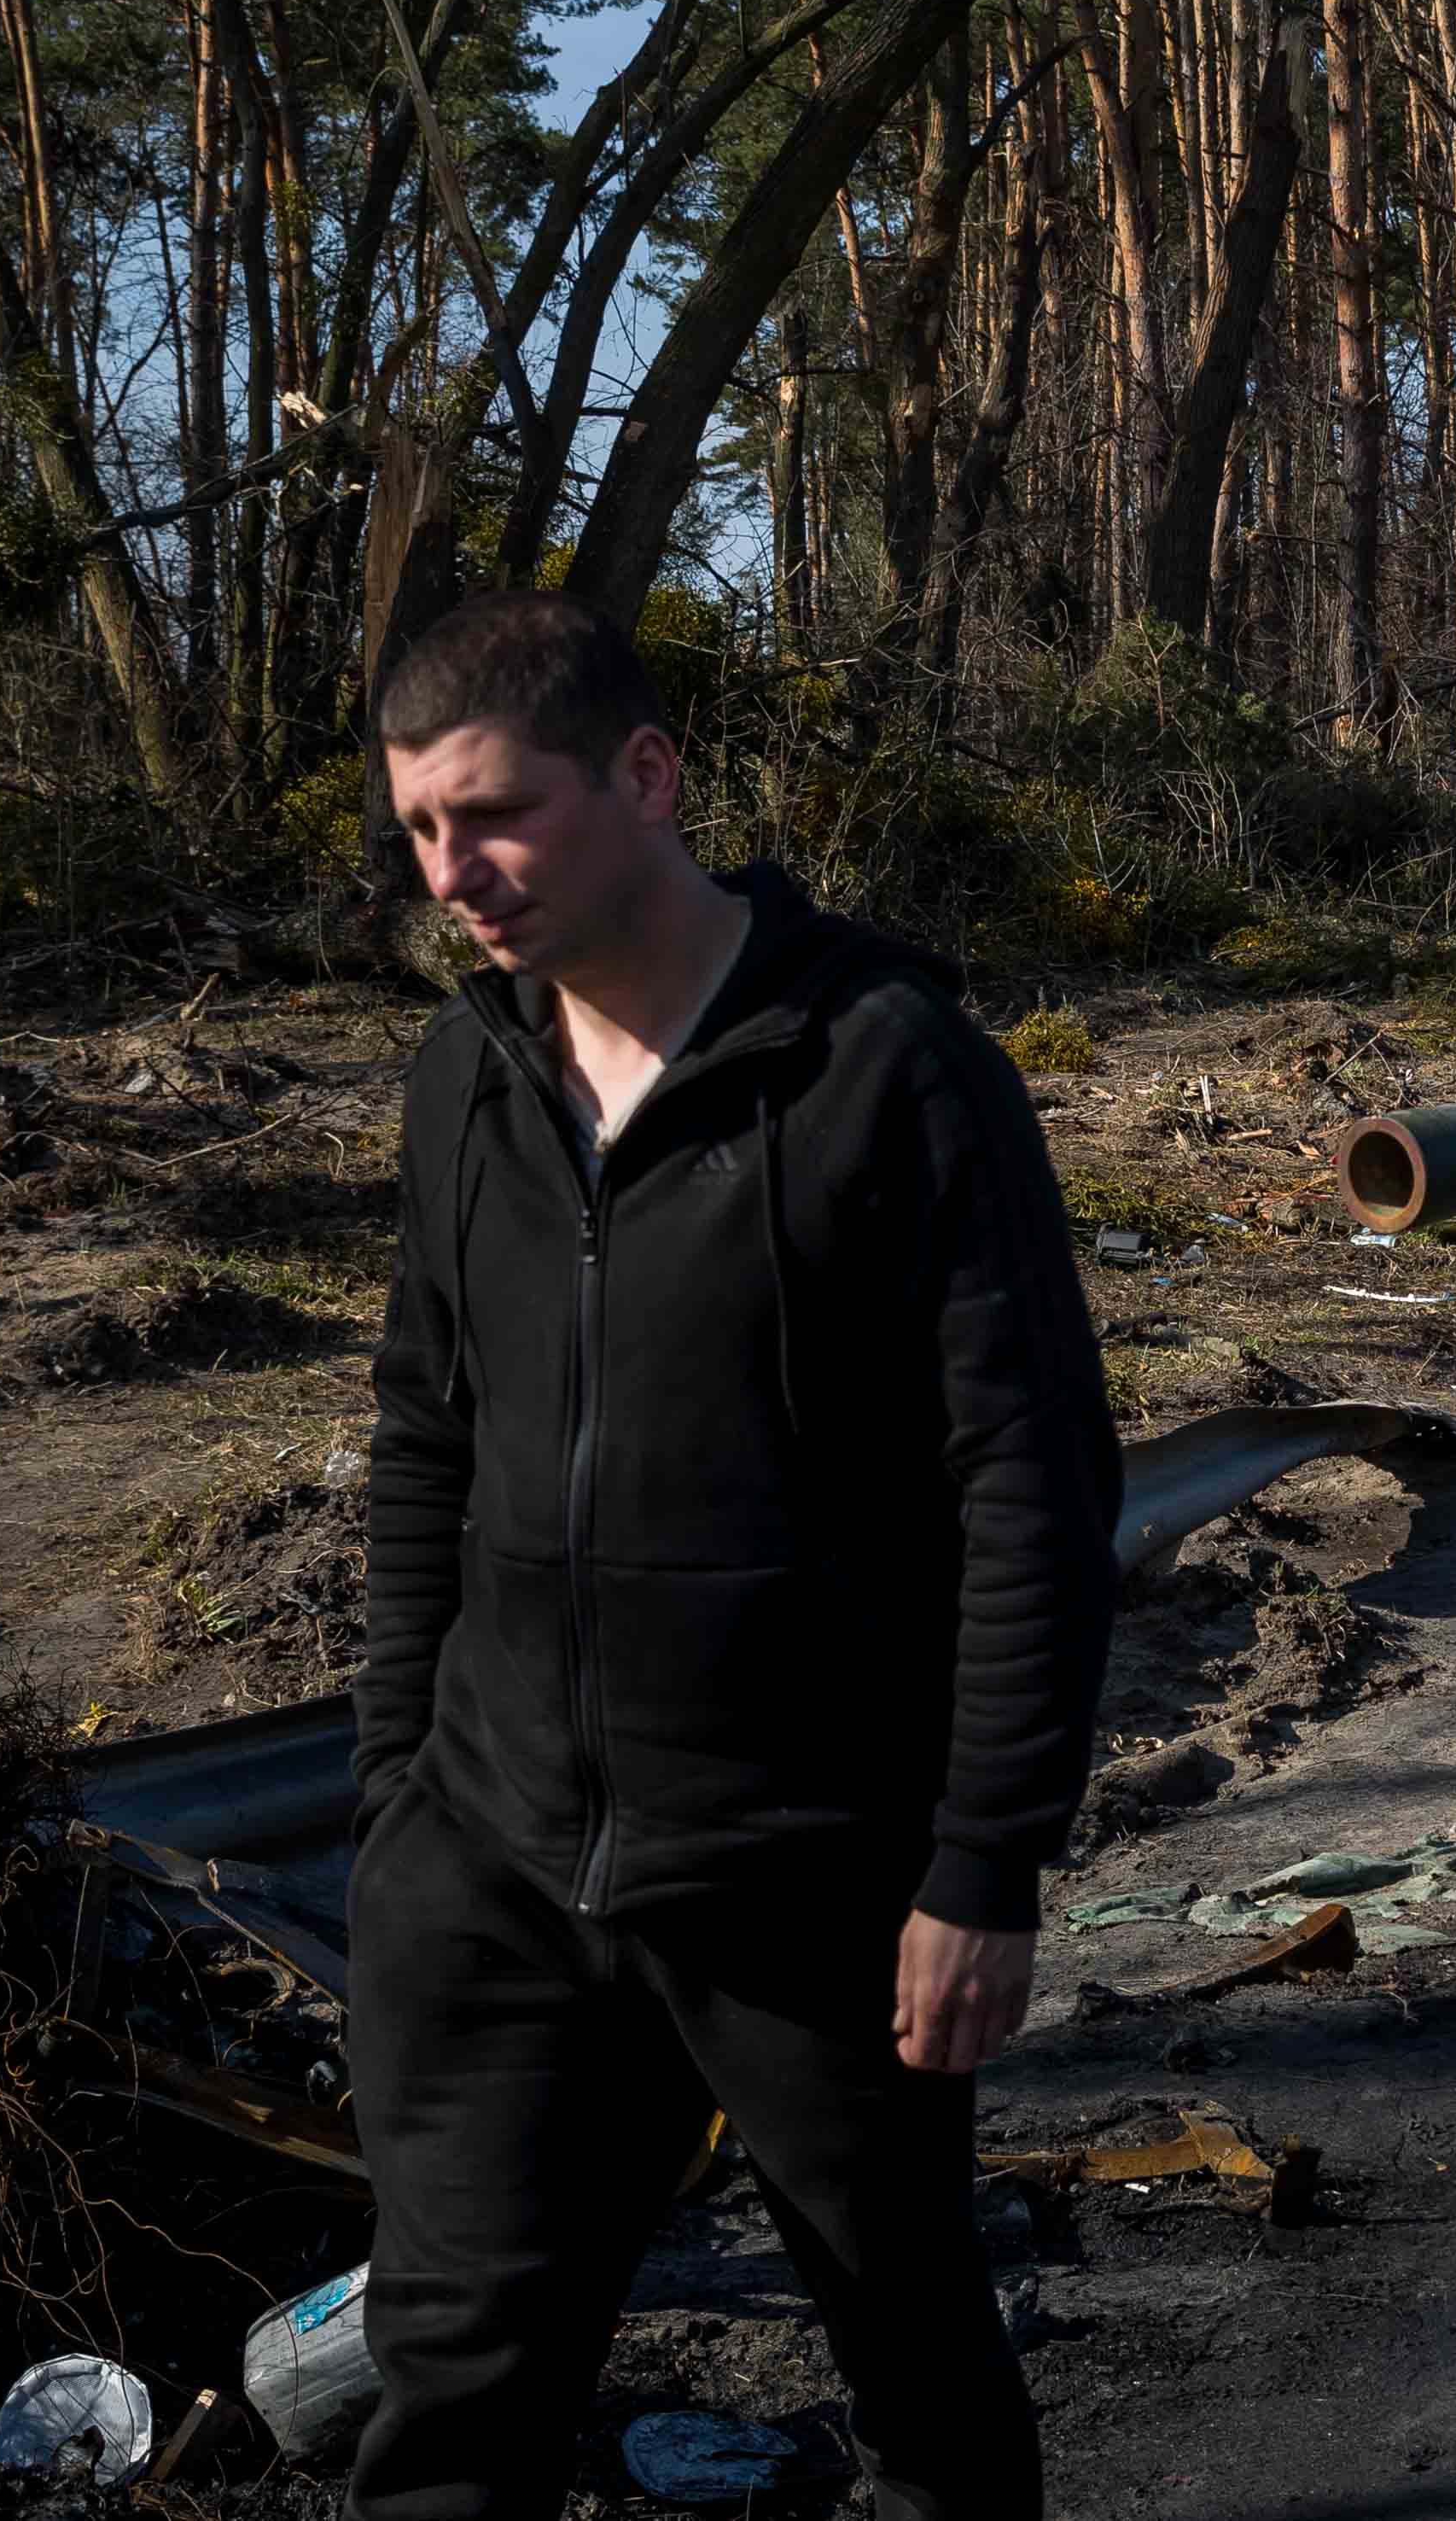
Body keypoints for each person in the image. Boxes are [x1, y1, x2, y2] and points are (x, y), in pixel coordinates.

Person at [349, 587, 1116, 2521]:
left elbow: (1032, 1478)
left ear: (649, 774)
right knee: (451, 2399)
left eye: (496, 815)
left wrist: (980, 1863)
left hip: (805, 1883)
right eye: (423, 828)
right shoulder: (470, 1079)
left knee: (919, 2367)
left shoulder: (886, 1063)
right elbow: (424, 1440)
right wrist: (396, 1804)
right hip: (499, 1870)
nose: (457, 872)